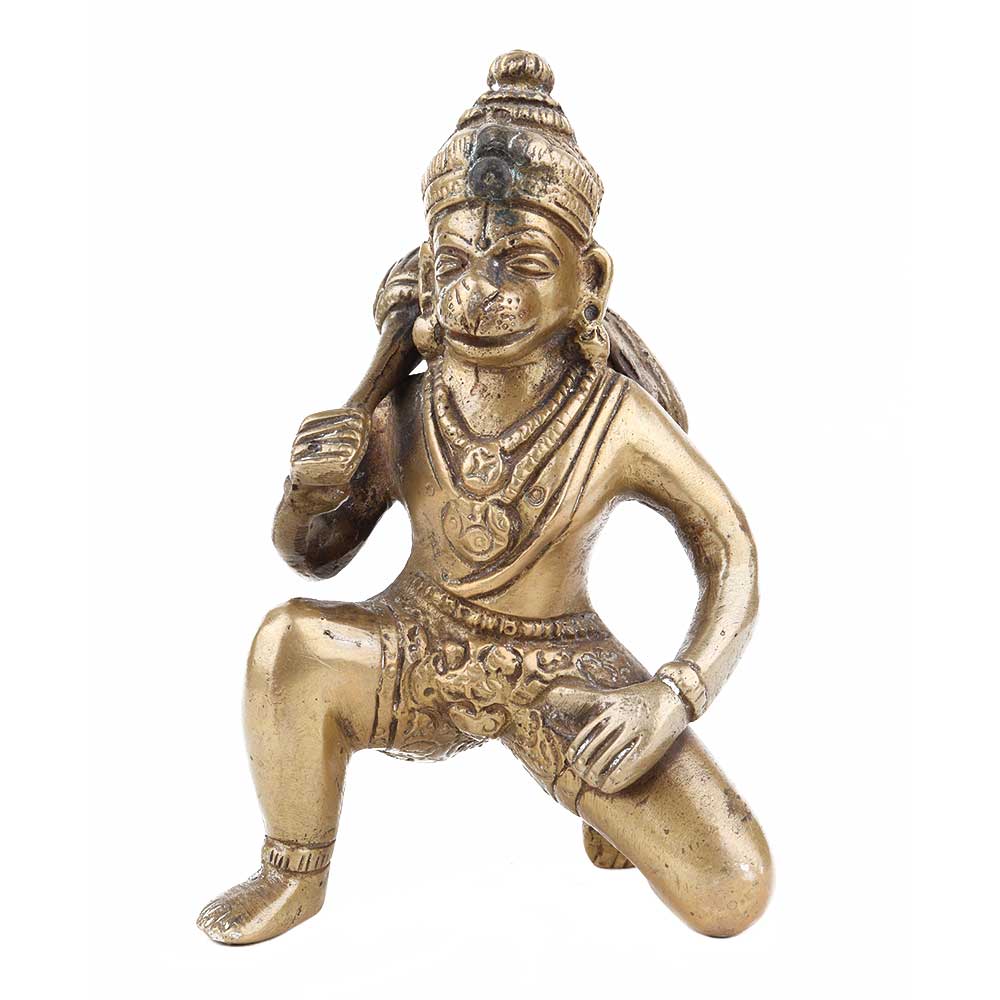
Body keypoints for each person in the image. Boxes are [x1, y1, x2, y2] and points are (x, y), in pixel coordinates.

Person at [197, 50, 771, 945]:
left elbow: (729, 550)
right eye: (456, 261)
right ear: (426, 273)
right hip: (416, 648)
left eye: (521, 263)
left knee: (733, 889)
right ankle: (292, 871)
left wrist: (671, 696)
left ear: (591, 281)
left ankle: (608, 803)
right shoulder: (407, 404)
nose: (480, 293)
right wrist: (306, 493)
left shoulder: (615, 417)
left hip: (564, 672)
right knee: (289, 646)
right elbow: (316, 553)